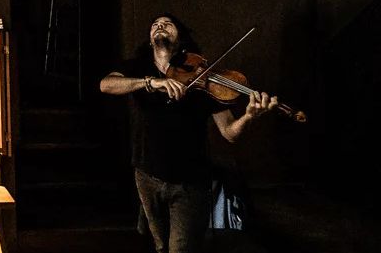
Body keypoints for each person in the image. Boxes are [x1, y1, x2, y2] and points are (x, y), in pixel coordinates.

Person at [99, 14, 278, 253]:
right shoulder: (138, 68)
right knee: (160, 245)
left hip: (190, 183)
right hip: (147, 175)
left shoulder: (203, 77)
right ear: (151, 40)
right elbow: (106, 84)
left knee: (181, 249)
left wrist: (248, 116)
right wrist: (151, 83)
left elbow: (229, 132)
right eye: (155, 25)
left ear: (180, 38)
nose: (160, 26)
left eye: (168, 24)